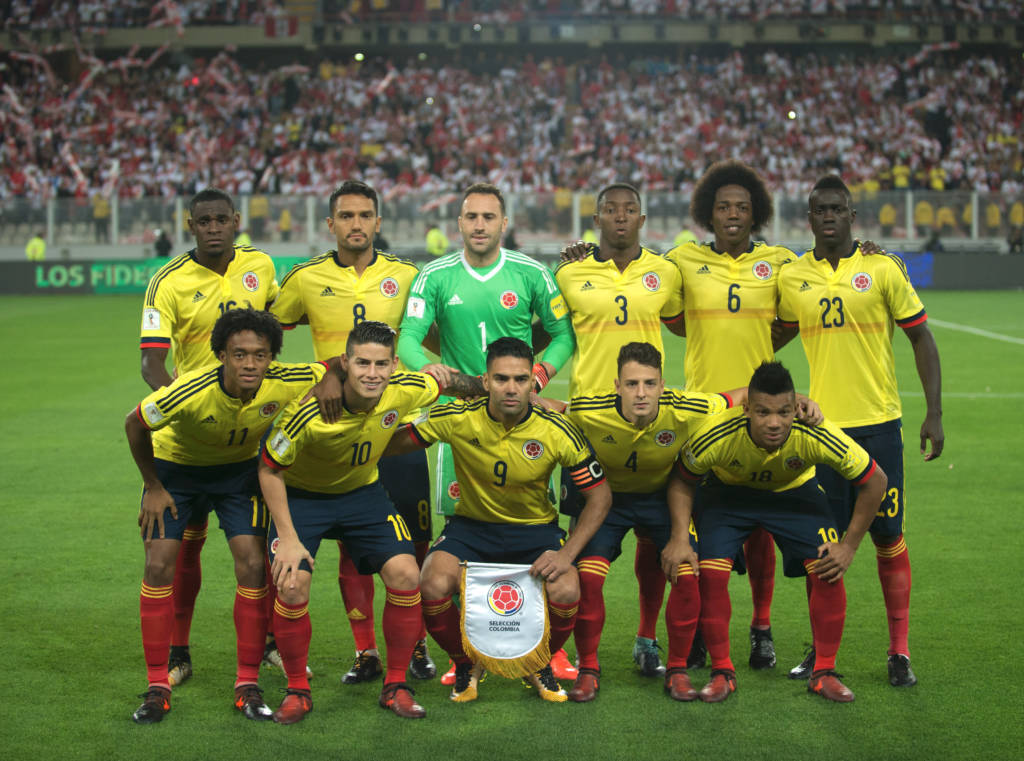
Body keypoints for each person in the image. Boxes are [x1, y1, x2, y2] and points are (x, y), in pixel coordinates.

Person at [257, 321, 483, 724]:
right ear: (345, 363)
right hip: (303, 499)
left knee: (406, 574)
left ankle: (396, 685)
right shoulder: (308, 412)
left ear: (395, 365)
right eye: (362, 363)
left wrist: (498, 389)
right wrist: (288, 538)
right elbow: (269, 468)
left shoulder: (406, 388)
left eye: (381, 364)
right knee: (291, 585)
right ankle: (297, 690)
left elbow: (453, 383)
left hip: (362, 495)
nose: (372, 373)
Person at [398, 182, 576, 681]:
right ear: (459, 223)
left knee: (531, 532)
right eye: (471, 216)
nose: (479, 225)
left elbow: (563, 335)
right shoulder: (435, 276)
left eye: (488, 217)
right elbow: (408, 337)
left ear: (504, 224)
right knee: (462, 542)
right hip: (461, 426)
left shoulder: (530, 273)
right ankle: (470, 652)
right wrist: (433, 371)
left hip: (522, 422)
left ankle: (547, 649)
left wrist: (537, 378)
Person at [777, 175, 944, 688]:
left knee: (888, 538)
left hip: (879, 425)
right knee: (822, 547)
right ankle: (821, 649)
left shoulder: (882, 267)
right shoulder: (792, 276)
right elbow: (768, 335)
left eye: (837, 209)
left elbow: (922, 339)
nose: (828, 216)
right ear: (809, 218)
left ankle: (899, 651)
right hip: (822, 432)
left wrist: (934, 413)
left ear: (852, 216)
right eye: (820, 210)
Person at [124, 308, 330, 724]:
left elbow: (335, 365)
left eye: (260, 354)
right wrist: (153, 486)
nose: (250, 363)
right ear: (221, 355)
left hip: (237, 475)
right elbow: (134, 424)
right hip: (177, 472)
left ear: (271, 357)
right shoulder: (189, 390)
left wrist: (331, 382)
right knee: (158, 564)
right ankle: (157, 686)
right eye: (239, 354)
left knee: (253, 565)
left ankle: (247, 684)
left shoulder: (286, 379)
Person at [382, 337, 612, 704]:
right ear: (486, 381)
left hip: (535, 531)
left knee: (568, 589)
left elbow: (600, 496)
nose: (511, 388)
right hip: (471, 528)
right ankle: (465, 663)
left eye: (520, 379)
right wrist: (359, 429)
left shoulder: (556, 428)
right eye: (502, 379)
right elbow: (393, 442)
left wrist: (566, 554)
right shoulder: (458, 416)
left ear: (532, 382)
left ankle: (538, 661)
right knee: (432, 583)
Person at [271, 180, 434, 685]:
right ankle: (366, 651)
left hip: (396, 427)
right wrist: (323, 374)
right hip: (338, 431)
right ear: (330, 224)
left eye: (365, 215)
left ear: (378, 222)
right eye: (346, 216)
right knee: (351, 545)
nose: (356, 224)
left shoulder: (407, 275)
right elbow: (266, 338)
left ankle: (417, 644)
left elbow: (433, 331)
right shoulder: (304, 277)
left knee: (413, 542)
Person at [669, 361, 887, 704]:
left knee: (828, 566)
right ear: (747, 409)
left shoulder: (814, 431)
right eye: (763, 412)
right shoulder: (718, 433)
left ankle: (824, 672)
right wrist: (681, 537)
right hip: (729, 495)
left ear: (795, 407)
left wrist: (848, 546)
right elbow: (682, 479)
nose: (774, 423)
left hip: (794, 496)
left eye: (784, 412)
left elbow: (876, 481)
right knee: (711, 573)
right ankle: (722, 672)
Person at [139, 187, 279, 687]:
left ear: (236, 220)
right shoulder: (167, 281)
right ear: (191, 225)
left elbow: (272, 337)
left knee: (255, 556)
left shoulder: (261, 266)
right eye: (205, 221)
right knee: (181, 552)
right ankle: (178, 653)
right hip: (185, 446)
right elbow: (151, 361)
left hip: (244, 445)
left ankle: (264, 646)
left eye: (222, 219)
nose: (214, 227)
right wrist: (184, 408)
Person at [554, 183, 685, 678]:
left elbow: (682, 322)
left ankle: (647, 639)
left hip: (650, 421)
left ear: (642, 218)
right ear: (597, 219)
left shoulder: (666, 271)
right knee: (584, 546)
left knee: (654, 543)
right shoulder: (568, 272)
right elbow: (551, 333)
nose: (621, 217)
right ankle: (573, 651)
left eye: (630, 210)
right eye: (611, 209)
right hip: (588, 424)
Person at [562, 342, 733, 702]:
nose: (641, 393)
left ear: (662, 385)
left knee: (687, 574)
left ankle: (677, 670)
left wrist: (797, 401)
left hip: (663, 499)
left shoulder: (688, 407)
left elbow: (741, 397)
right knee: (588, 579)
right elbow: (552, 409)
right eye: (632, 384)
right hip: (607, 502)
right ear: (617, 386)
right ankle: (588, 668)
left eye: (650, 384)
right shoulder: (587, 409)